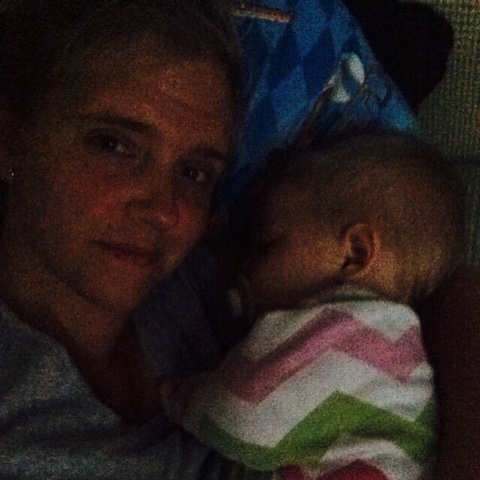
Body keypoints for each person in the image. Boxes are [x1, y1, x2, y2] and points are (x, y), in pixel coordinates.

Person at [0, 0, 478, 479]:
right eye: (114, 144)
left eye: (195, 172)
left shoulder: (209, 275)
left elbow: (442, 286)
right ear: (10, 136)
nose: (163, 211)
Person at [159, 132, 465, 480]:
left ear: (355, 253)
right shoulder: (393, 343)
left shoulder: (347, 331)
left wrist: (180, 396)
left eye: (267, 244)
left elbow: (244, 413)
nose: (245, 266)